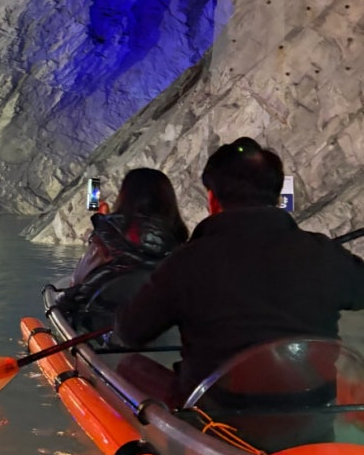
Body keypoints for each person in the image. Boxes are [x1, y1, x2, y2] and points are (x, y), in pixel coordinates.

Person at [114, 137, 364, 404]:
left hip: (217, 417)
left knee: (128, 367)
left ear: (212, 200)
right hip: (313, 412)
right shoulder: (325, 253)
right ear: (277, 196)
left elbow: (130, 333)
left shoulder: (187, 261)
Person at [52, 168, 188, 332]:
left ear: (125, 198)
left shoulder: (108, 234)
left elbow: (78, 280)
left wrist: (102, 224)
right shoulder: (182, 245)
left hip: (99, 330)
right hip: (158, 330)